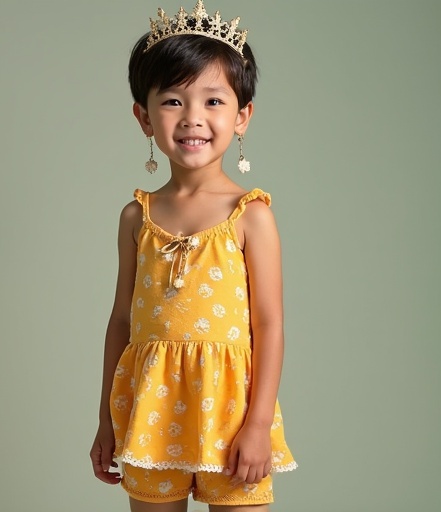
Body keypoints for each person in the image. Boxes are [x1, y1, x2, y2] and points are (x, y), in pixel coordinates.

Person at [90, 1, 297, 510]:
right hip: (149, 411)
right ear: (144, 116)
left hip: (230, 412)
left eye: (213, 101)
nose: (193, 119)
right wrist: (105, 420)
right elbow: (121, 320)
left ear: (242, 116)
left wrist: (257, 423)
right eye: (173, 101)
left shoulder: (251, 216)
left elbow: (268, 325)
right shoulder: (136, 217)